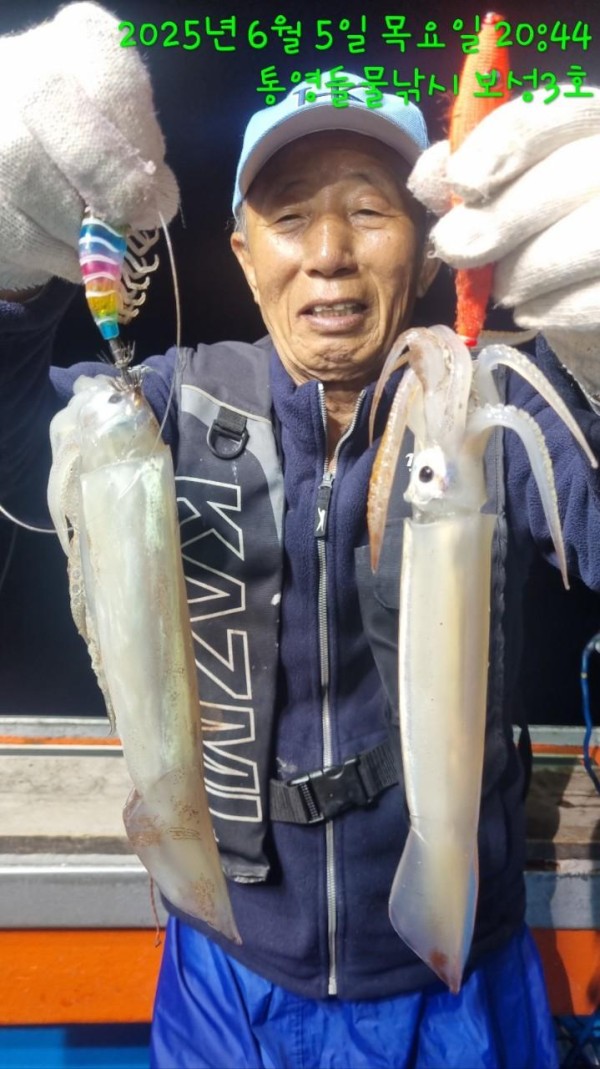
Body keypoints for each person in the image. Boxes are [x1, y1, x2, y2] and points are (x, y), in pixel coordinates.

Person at [1, 4, 599, 1067]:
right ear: (243, 253)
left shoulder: (491, 416)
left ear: (429, 251)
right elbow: (13, 433)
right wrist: (10, 276)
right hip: (231, 964)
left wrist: (596, 358)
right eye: (288, 216)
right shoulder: (163, 408)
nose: (328, 253)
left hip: (457, 975)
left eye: (370, 209)